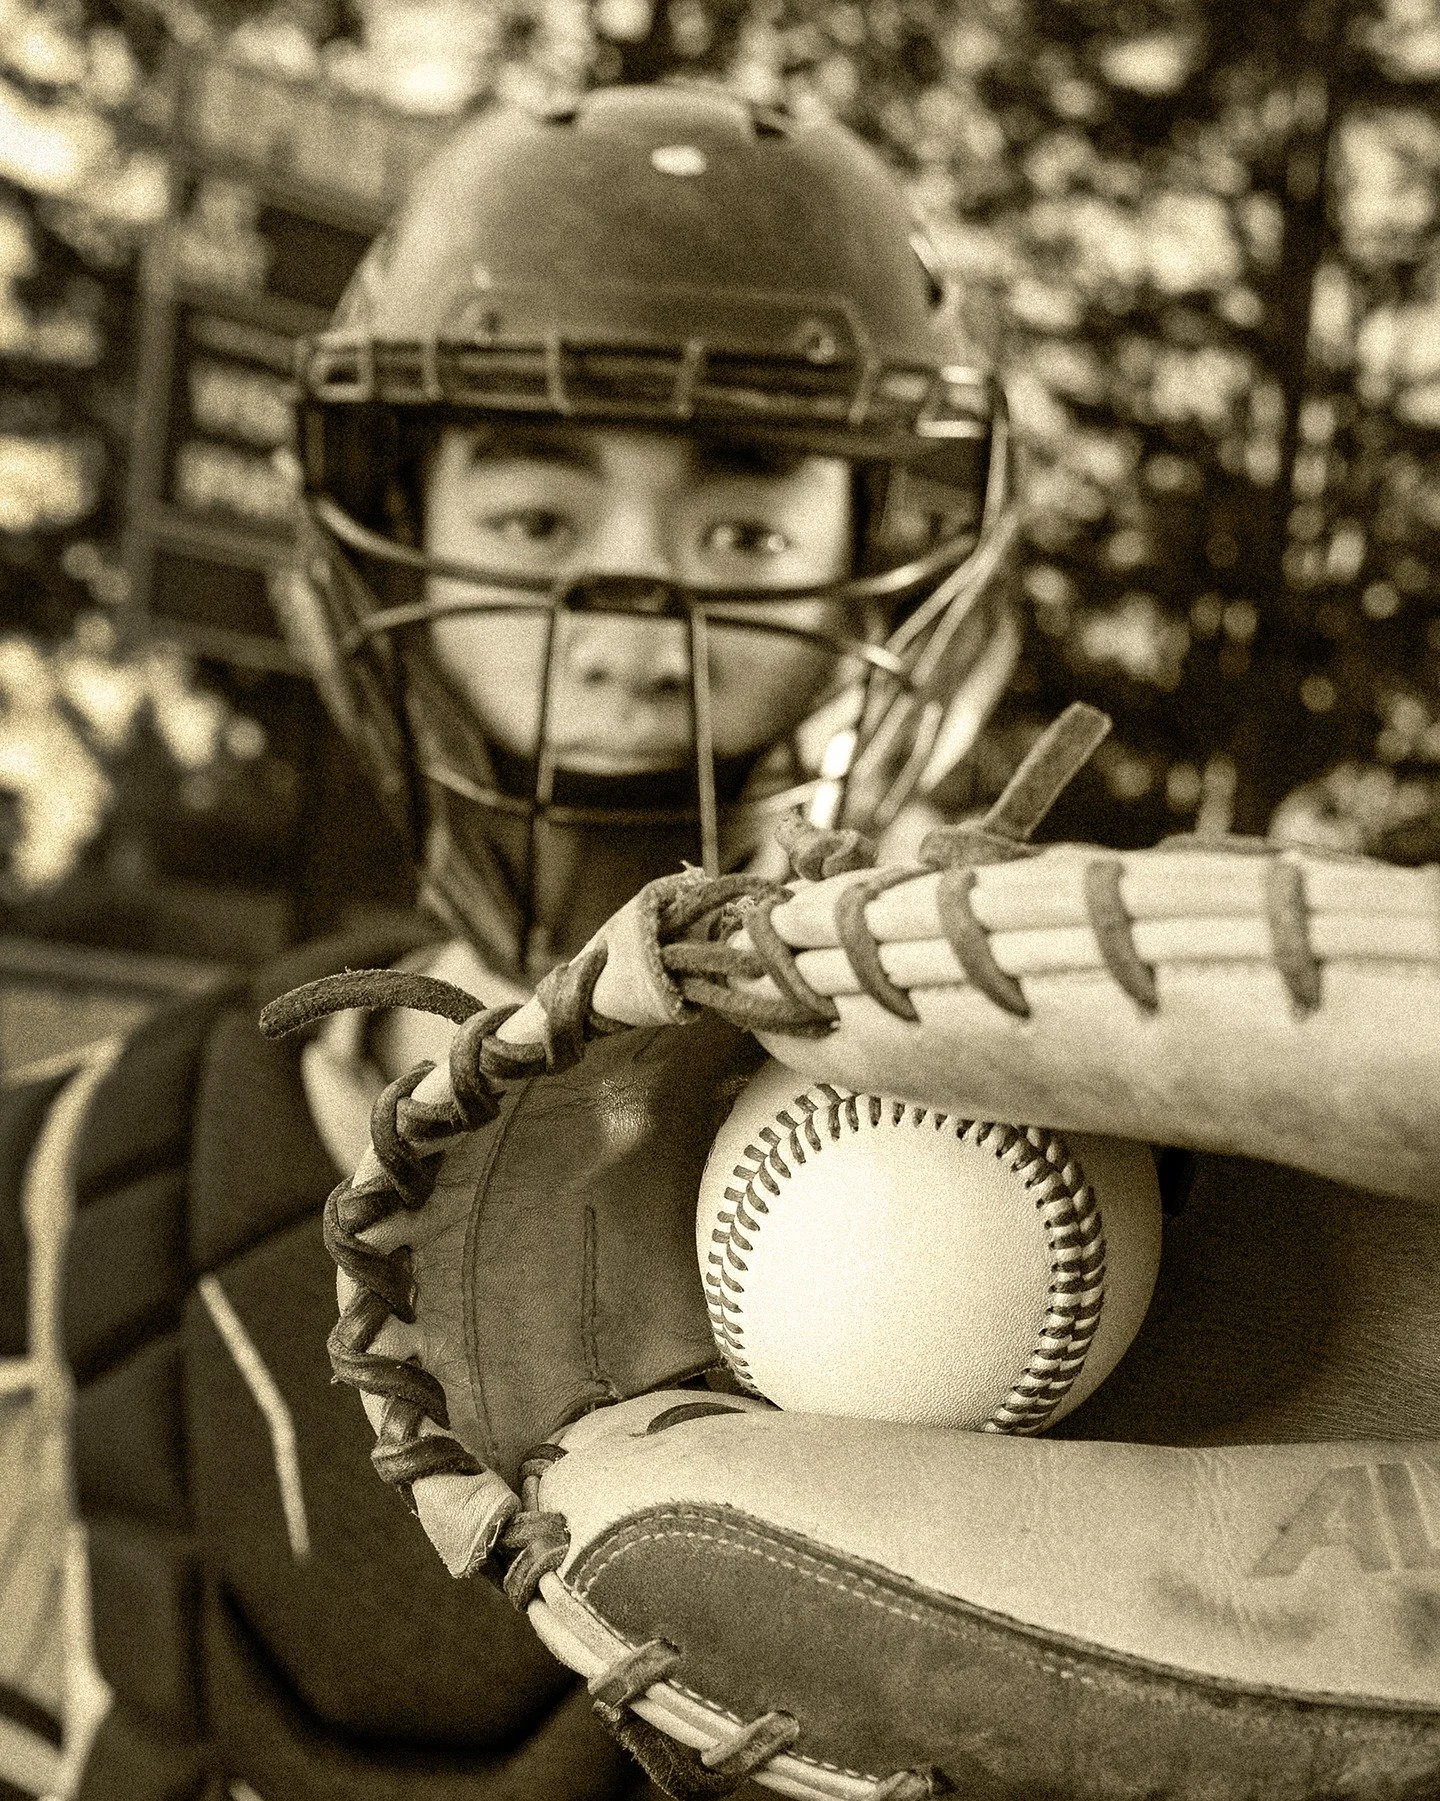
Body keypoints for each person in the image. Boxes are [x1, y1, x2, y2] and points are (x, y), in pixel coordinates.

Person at [0, 81, 1019, 1800]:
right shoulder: (80, 1171)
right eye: (539, 526)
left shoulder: (1060, 1199)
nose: (635, 625)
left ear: (880, 589)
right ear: (395, 544)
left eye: (742, 537)